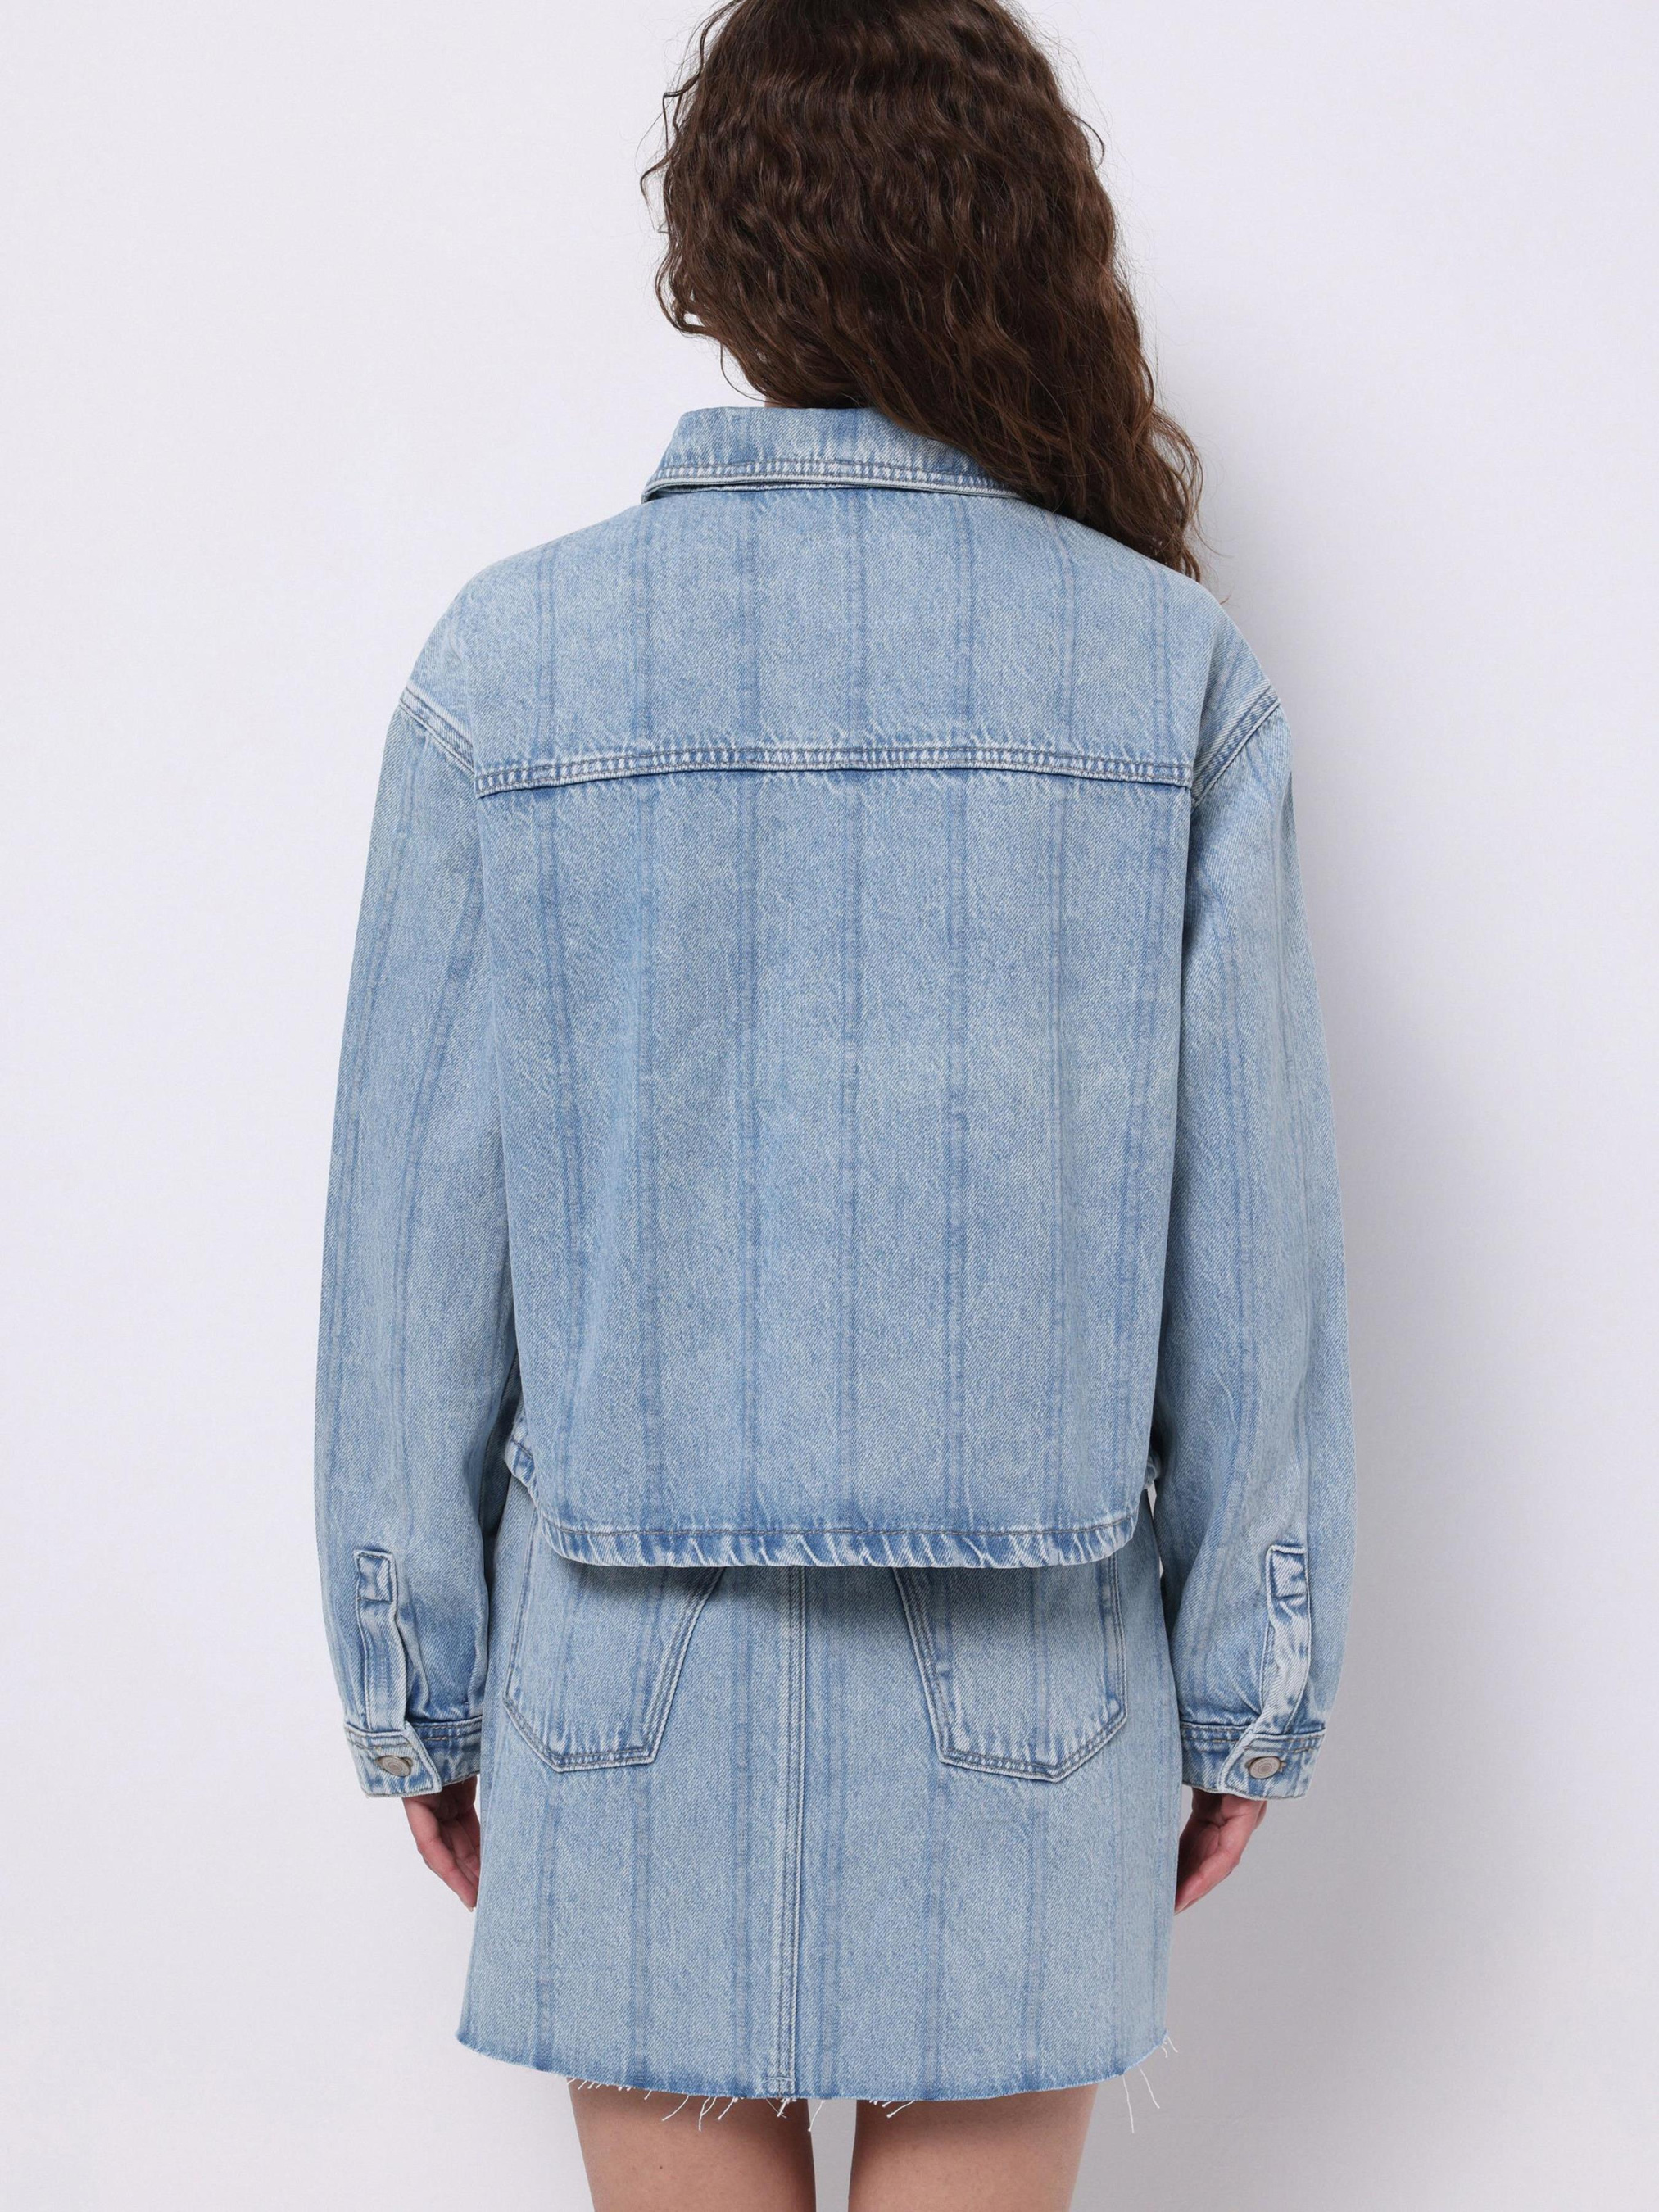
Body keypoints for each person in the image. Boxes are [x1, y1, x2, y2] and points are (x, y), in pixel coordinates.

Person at [312, 2, 1356, 2205]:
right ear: (1025, 243)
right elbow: (1250, 1248)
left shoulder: (508, 671)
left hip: (621, 1695)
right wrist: (1247, 1675)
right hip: (1031, 1698)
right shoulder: (1167, 678)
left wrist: (417, 1680)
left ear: (720, 259)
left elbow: (412, 1247)